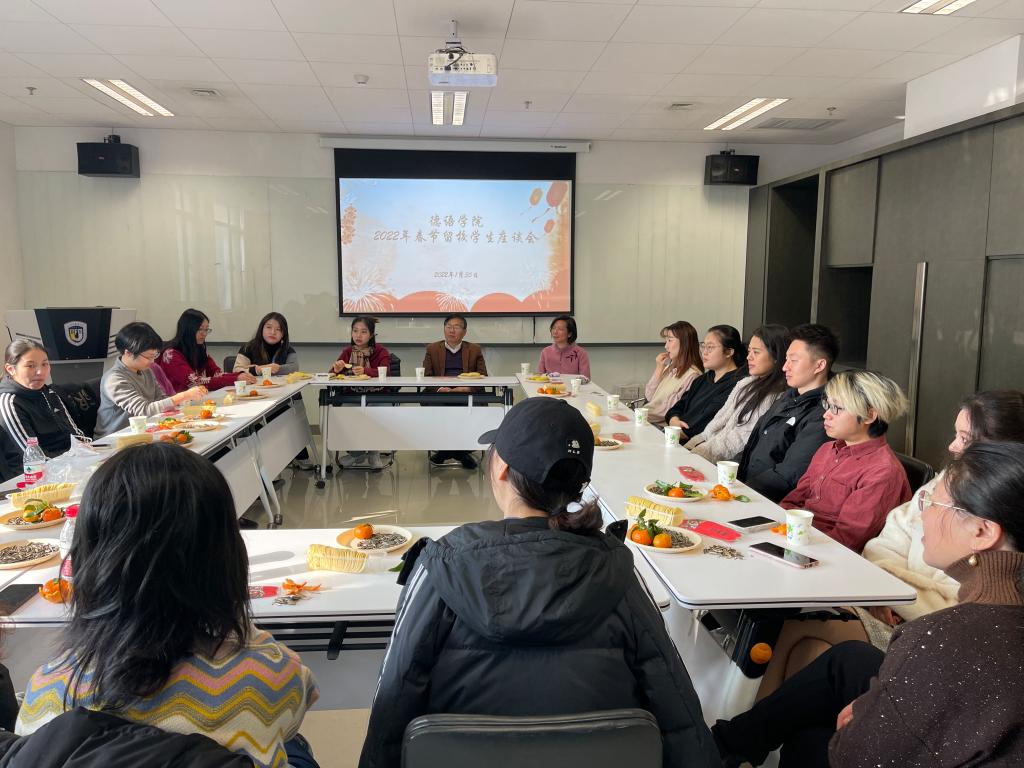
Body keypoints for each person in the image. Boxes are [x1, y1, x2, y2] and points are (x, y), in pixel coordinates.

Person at [358, 397, 720, 768]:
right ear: (578, 485)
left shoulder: (441, 566)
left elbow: (394, 700)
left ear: (500, 467)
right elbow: (676, 705)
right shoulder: (618, 570)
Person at [712, 441, 1024, 768]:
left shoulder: (940, 638)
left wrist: (863, 720)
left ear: (982, 531)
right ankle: (726, 745)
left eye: (933, 503)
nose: (922, 514)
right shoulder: (987, 614)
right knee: (849, 659)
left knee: (809, 738)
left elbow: (854, 756)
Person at [16, 443, 320, 768]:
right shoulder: (273, 671)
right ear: (225, 559)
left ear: (87, 562)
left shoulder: (45, 689)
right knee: (294, 745)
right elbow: (300, 700)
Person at [863, 389, 1024, 624]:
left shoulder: (1002, 507)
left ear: (1005, 448)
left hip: (939, 625)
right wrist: (883, 591)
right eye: (955, 434)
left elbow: (966, 602)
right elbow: (894, 533)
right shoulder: (948, 478)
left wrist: (894, 596)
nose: (952, 446)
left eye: (965, 438)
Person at [780, 371, 911, 553]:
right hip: (797, 539)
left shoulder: (882, 472)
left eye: (837, 408)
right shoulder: (827, 449)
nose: (826, 415)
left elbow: (847, 540)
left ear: (868, 416)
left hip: (826, 553)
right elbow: (794, 500)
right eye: (827, 405)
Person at [736, 323, 838, 502]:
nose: (785, 367)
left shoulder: (824, 413)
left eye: (794, 360)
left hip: (769, 502)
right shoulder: (788, 396)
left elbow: (789, 474)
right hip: (747, 490)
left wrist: (742, 494)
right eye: (786, 359)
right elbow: (752, 446)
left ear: (819, 365)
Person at [685, 325, 790, 463]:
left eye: (756, 352)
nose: (749, 357)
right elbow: (718, 421)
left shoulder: (775, 395)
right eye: (749, 351)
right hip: (708, 452)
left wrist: (698, 453)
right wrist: (691, 446)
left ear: (777, 356)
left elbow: (739, 439)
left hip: (726, 464)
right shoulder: (745, 383)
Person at [94, 322, 208, 438]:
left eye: (155, 355)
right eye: (148, 357)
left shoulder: (146, 370)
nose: (152, 361)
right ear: (128, 353)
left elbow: (161, 399)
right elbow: (144, 410)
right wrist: (183, 396)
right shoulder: (114, 379)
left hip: (142, 432)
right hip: (114, 439)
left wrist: (185, 400)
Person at [0, 339, 86, 478]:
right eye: (30, 366)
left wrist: (85, 449)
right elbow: (33, 457)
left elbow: (75, 433)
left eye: (45, 364)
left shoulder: (49, 392)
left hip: (69, 464)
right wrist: (74, 461)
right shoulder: (10, 402)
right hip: (36, 476)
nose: (40, 372)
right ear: (11, 369)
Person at [423, 314, 488, 470]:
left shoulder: (474, 349)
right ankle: (458, 452)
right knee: (436, 409)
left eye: (457, 327)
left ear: (464, 332)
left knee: (471, 409)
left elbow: (483, 376)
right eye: (448, 327)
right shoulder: (432, 348)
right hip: (440, 392)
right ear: (444, 329)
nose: (452, 330)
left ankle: (449, 452)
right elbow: (426, 376)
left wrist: (467, 388)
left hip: (466, 392)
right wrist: (440, 388)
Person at [330, 316, 392, 470]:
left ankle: (374, 452)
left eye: (363, 332)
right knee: (344, 415)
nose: (358, 335)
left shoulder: (381, 351)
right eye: (355, 331)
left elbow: (386, 372)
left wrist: (366, 370)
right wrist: (336, 369)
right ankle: (356, 453)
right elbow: (331, 374)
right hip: (352, 395)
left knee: (377, 415)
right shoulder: (347, 352)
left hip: (378, 395)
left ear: (371, 335)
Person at [666, 325, 746, 440]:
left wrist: (677, 430)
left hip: (697, 443)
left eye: (710, 347)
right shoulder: (702, 379)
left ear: (729, 352)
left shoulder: (738, 384)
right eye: (703, 346)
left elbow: (706, 421)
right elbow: (678, 407)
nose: (704, 352)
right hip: (676, 435)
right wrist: (673, 419)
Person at [155, 309, 255, 394]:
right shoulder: (171, 355)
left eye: (206, 330)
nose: (204, 334)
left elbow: (217, 373)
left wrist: (240, 375)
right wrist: (235, 379)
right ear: (188, 330)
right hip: (177, 404)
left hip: (196, 400)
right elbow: (195, 382)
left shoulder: (199, 349)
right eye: (200, 329)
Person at [642, 320, 703, 427]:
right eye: (666, 341)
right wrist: (659, 368)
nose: (666, 346)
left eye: (670, 340)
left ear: (685, 343)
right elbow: (649, 396)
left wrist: (642, 414)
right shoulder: (670, 368)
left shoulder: (692, 376)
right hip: (649, 421)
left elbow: (667, 411)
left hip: (660, 427)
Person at [233, 312, 299, 377]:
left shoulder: (288, 349)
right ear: (262, 328)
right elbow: (236, 371)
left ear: (283, 334)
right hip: (254, 384)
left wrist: (273, 368)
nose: (273, 332)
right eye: (269, 327)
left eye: (278, 329)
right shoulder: (247, 348)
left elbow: (294, 369)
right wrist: (260, 369)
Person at [537, 315, 590, 380]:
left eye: (560, 329)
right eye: (553, 328)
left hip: (572, 386)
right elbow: (540, 377)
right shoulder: (545, 352)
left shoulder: (581, 353)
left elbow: (585, 379)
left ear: (569, 334)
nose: (555, 332)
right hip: (549, 386)